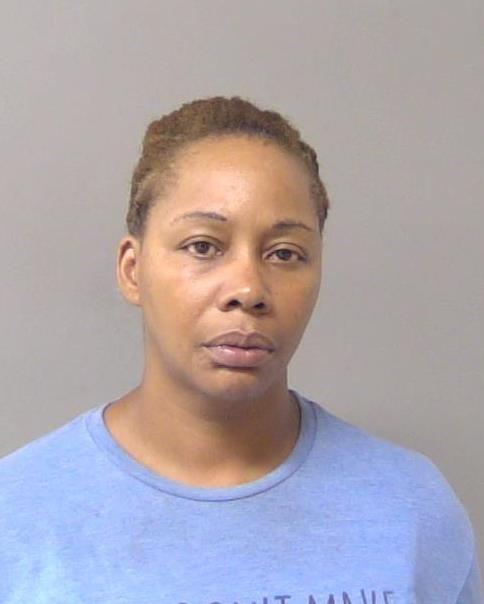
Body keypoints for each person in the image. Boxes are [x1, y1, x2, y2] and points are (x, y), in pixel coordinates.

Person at [0, 95, 481, 604]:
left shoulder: (410, 510)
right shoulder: (18, 514)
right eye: (203, 246)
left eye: (284, 253)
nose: (248, 289)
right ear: (132, 270)